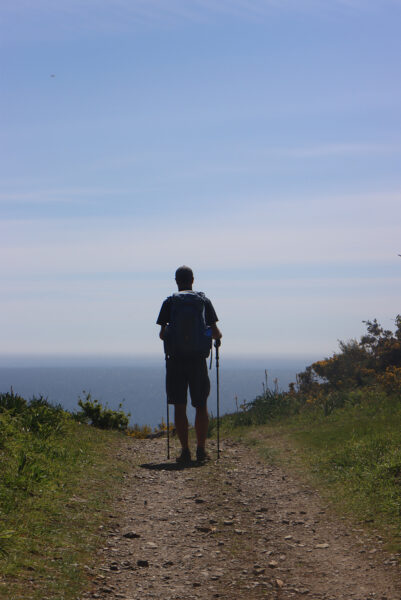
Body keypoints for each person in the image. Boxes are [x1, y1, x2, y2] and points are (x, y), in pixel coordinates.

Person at [157, 266, 222, 464]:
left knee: (179, 405)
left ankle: (185, 451)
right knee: (201, 405)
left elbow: (162, 334)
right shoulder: (203, 301)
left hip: (176, 360)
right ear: (193, 279)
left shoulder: (169, 302)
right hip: (198, 361)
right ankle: (201, 450)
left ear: (176, 280)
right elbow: (215, 332)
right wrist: (211, 338)